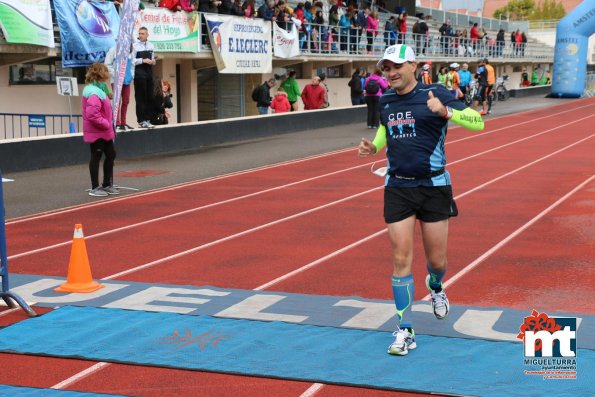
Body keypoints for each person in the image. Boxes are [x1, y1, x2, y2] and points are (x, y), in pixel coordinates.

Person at [357, 44, 484, 356]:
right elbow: (387, 130)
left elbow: (477, 121)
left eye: (396, 66)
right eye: (386, 68)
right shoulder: (385, 101)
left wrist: (446, 112)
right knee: (400, 260)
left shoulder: (437, 92)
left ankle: (436, 285)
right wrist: (374, 147)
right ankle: (405, 329)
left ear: (413, 65)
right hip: (397, 187)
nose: (391, 73)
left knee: (437, 261)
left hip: (434, 186)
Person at [81, 63, 118, 197]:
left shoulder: (99, 88)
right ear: (100, 74)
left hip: (104, 130)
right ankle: (95, 187)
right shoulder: (93, 92)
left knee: (111, 154)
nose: (108, 76)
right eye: (106, 73)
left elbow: (109, 97)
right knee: (96, 156)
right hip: (98, 130)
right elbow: (92, 114)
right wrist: (106, 124)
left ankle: (107, 184)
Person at [104, 43, 135, 131]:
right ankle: (116, 123)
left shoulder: (130, 52)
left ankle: (123, 123)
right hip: (116, 80)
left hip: (127, 81)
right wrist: (116, 74)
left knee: (126, 101)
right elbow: (107, 64)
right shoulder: (113, 50)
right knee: (117, 101)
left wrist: (131, 76)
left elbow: (132, 65)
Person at [133, 27, 157, 128]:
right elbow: (131, 60)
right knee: (140, 98)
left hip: (149, 73)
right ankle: (141, 120)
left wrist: (153, 61)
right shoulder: (134, 46)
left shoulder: (151, 45)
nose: (141, 35)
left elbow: (153, 58)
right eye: (139, 33)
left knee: (150, 96)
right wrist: (142, 61)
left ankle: (148, 119)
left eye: (143, 33)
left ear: (147, 35)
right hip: (139, 74)